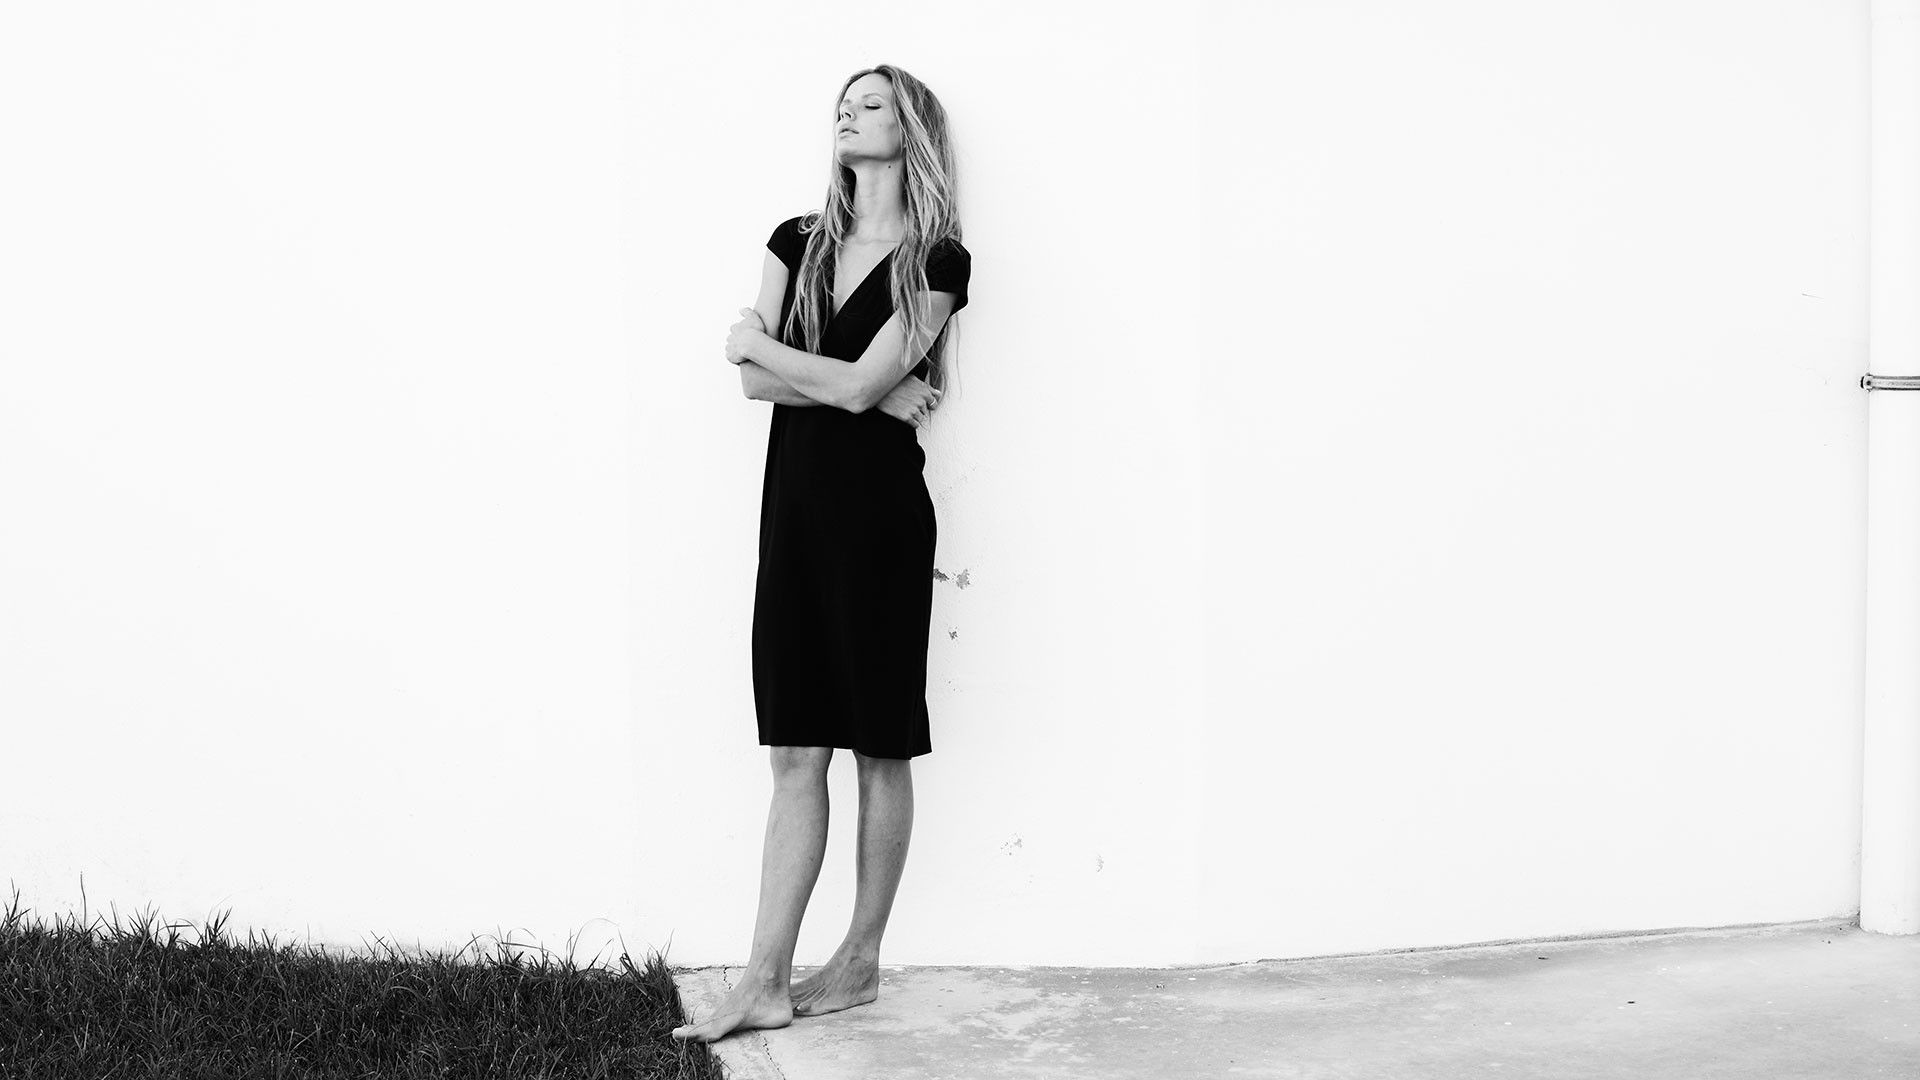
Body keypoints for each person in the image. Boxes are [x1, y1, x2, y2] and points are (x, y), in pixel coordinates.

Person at [672, 63, 971, 1044]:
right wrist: (867, 388)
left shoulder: (938, 260)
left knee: (880, 744)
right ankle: (763, 980)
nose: (849, 114)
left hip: (880, 521)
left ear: (910, 130)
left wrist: (770, 350)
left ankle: (859, 960)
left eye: (871, 104)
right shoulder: (795, 240)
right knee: (796, 748)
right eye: (844, 104)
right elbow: (760, 388)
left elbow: (806, 376)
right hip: (796, 514)